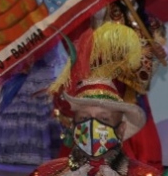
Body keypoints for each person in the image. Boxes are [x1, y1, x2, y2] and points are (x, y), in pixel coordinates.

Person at [35, 23, 157, 176]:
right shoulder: (47, 173)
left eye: (104, 119)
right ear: (73, 126)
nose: (92, 126)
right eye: (84, 117)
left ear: (121, 130)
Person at [98, 0, 167, 171]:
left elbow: (158, 52)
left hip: (134, 87)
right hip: (110, 84)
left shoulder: (153, 22)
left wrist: (159, 51)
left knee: (138, 135)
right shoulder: (107, 15)